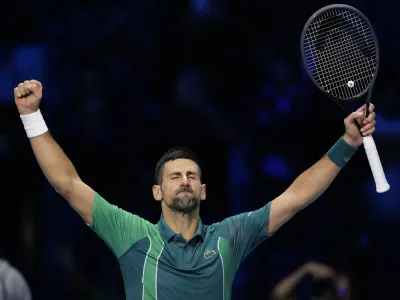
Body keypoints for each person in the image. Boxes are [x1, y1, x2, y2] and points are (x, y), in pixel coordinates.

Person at [13, 80, 376, 300]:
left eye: (191, 175)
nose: (184, 180)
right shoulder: (130, 233)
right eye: (174, 176)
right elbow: (67, 183)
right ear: (157, 192)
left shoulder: (229, 237)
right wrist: (31, 115)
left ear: (203, 191)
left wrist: (346, 142)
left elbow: (296, 197)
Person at [271, 261, 351, 300]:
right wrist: (306, 269)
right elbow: (278, 294)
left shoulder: (338, 293)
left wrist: (340, 285)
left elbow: (343, 293)